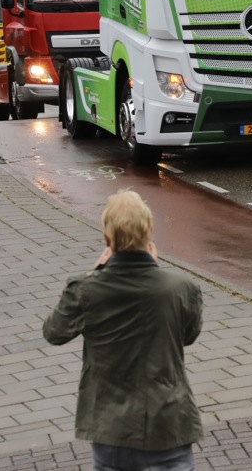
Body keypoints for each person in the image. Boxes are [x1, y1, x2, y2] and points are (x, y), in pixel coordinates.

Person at [44, 189, 203, 471]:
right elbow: (188, 336)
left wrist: (96, 273)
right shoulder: (180, 287)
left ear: (107, 237)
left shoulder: (86, 289)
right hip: (169, 424)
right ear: (150, 233)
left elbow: (54, 332)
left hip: (112, 428)